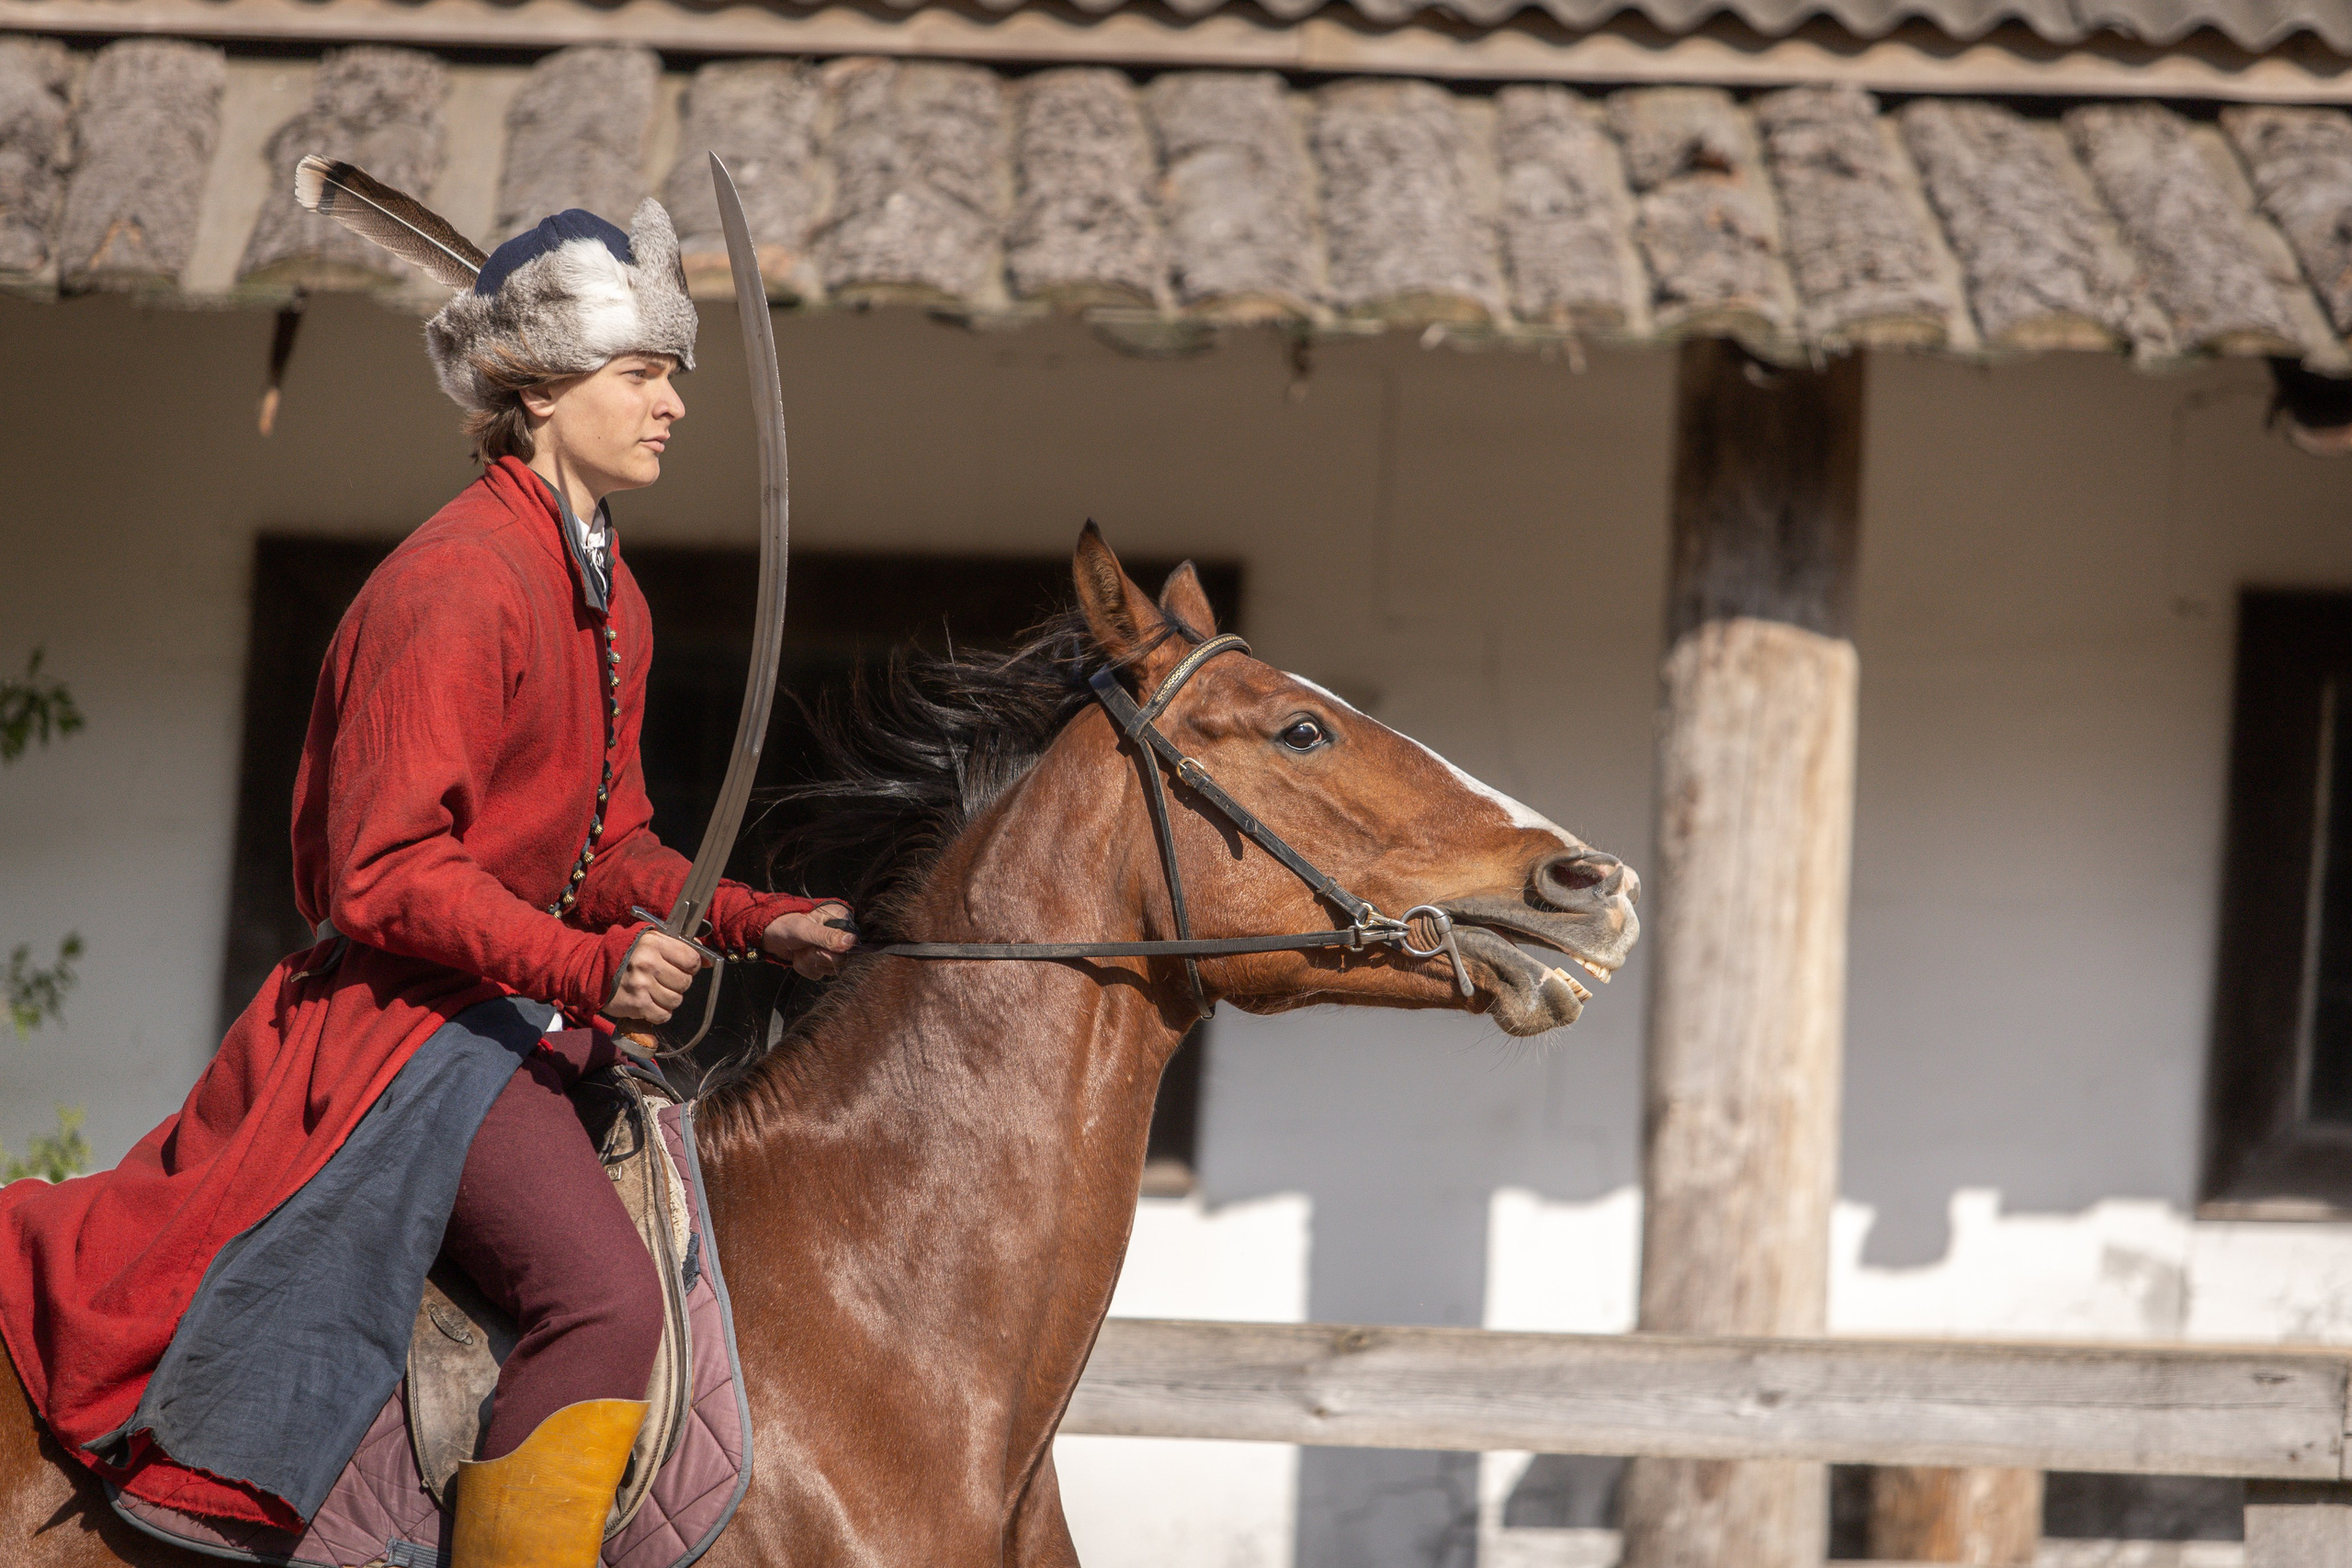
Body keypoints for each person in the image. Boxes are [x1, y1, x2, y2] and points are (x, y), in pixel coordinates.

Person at [0, 196, 853, 1568]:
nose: (672, 404)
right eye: (642, 373)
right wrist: (589, 966)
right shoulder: (456, 582)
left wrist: (759, 920)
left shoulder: (608, 592)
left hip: (513, 1025)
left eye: (673, 376)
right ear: (539, 389)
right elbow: (381, 874)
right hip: (407, 1034)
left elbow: (615, 844)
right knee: (604, 1303)